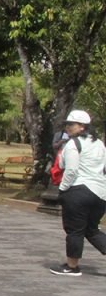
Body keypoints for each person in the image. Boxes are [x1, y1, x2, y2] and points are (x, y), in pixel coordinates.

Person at [51, 110, 106, 276]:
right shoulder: (99, 144)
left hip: (78, 191)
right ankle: (72, 264)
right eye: (67, 124)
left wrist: (63, 189)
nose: (68, 127)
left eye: (71, 124)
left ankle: (72, 266)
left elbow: (71, 170)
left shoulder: (73, 144)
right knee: (91, 230)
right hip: (100, 193)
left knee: (74, 230)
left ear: (82, 127)